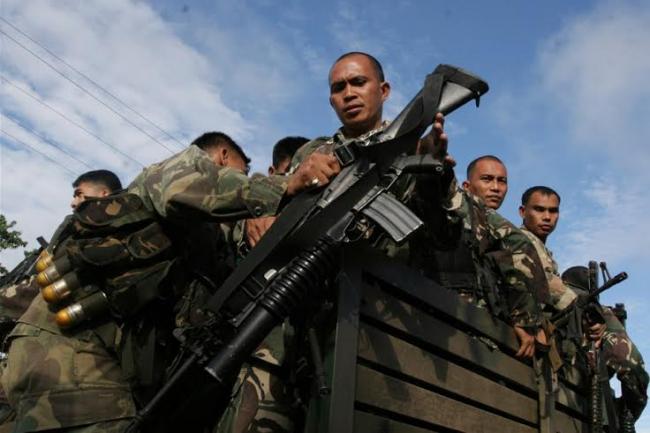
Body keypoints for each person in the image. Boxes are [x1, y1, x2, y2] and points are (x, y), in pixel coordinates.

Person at [1, 132, 339, 433]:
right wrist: (281, 188)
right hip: (75, 355)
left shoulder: (206, 235)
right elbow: (186, 188)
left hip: (87, 358)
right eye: (243, 170)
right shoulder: (185, 167)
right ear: (223, 157)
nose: (246, 178)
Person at [0, 169, 129, 432]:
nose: (73, 202)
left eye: (79, 194)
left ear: (103, 193)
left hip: (70, 376)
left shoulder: (94, 230)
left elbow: (35, 290)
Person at [519, 186, 648, 426]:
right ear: (522, 211)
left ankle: (620, 415)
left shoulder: (540, 249)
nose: (547, 217)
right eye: (539, 210)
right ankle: (622, 416)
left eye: (553, 211)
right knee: (628, 363)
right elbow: (546, 284)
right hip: (538, 339)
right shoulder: (521, 242)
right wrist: (587, 312)